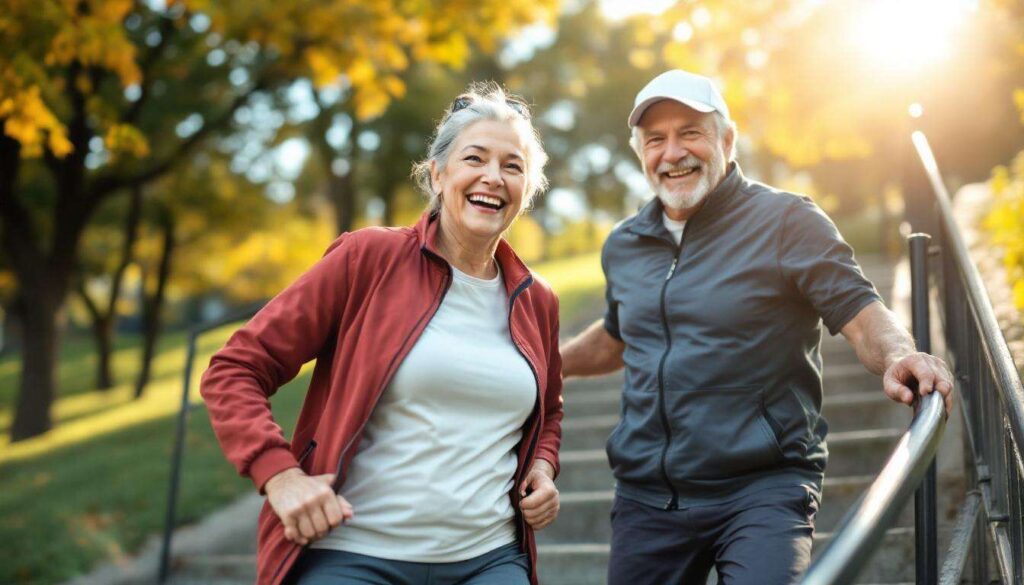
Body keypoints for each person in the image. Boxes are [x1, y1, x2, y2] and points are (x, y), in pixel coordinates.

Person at [559, 69, 955, 585]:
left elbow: (860, 313)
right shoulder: (625, 243)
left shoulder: (788, 221)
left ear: (726, 139)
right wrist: (548, 362)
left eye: (691, 132)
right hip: (647, 497)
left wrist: (900, 353)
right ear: (640, 153)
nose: (672, 152)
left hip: (763, 487)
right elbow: (618, 334)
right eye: (656, 139)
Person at [200, 82, 563, 585]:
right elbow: (235, 368)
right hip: (354, 553)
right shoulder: (368, 259)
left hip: (490, 557)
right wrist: (279, 476)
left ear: (527, 191)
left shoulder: (536, 299)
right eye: (474, 158)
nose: (493, 178)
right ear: (438, 175)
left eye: (513, 166)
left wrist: (543, 468)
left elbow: (550, 411)